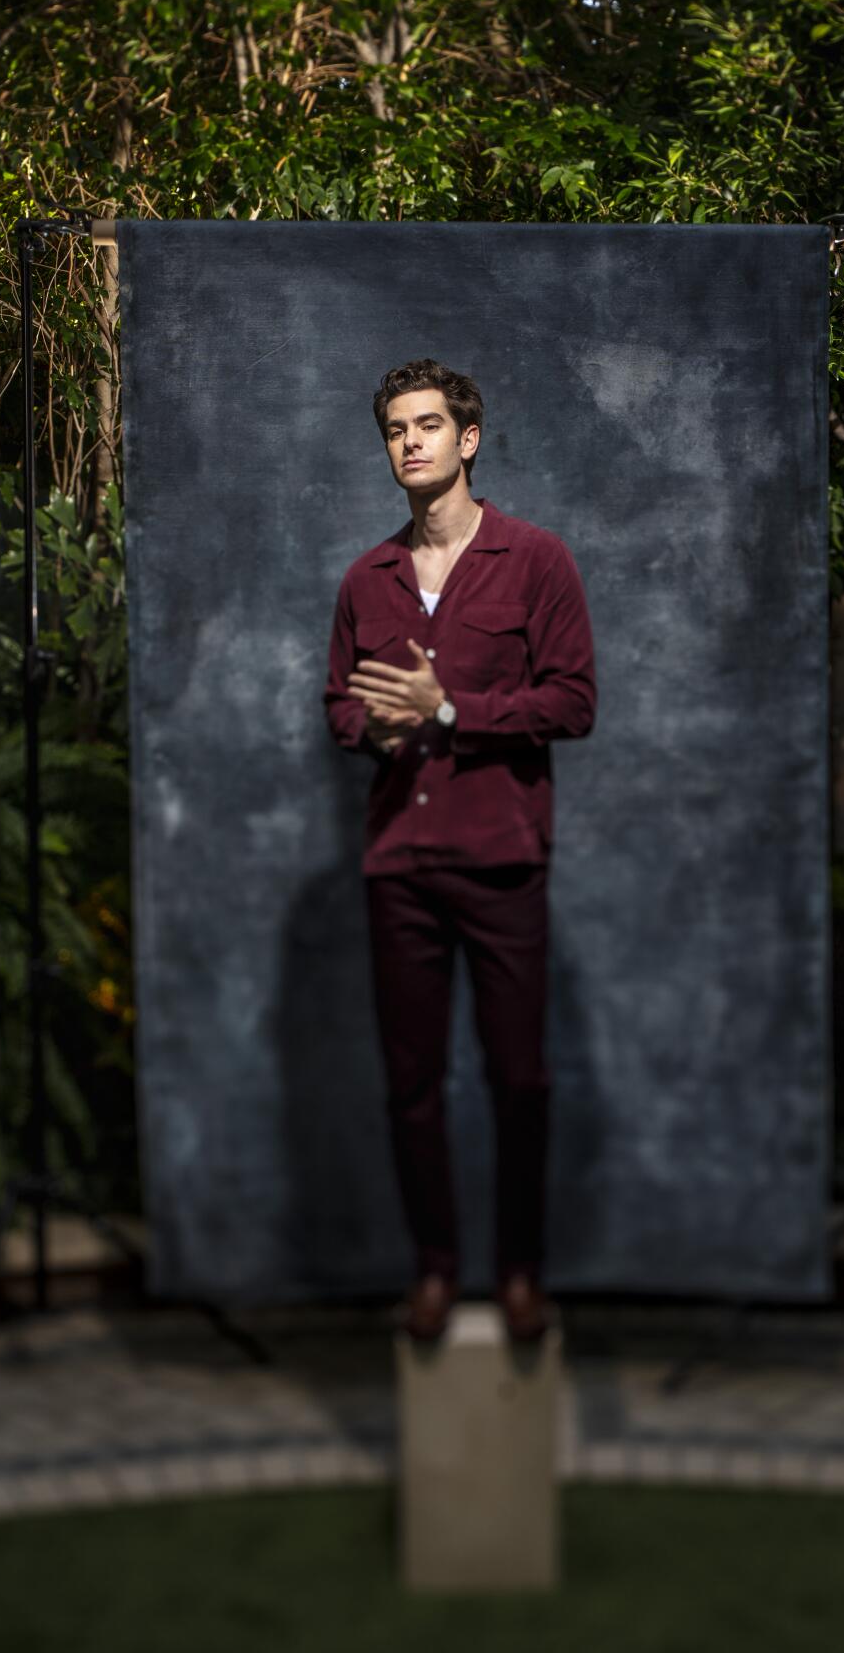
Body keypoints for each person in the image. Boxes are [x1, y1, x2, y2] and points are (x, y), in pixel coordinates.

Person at [323, 357, 596, 1342]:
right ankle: (436, 1268)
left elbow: (573, 703)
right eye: (396, 429)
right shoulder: (368, 579)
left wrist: (452, 711)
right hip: (399, 864)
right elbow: (338, 709)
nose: (411, 442)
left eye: (429, 425)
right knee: (412, 1085)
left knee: (519, 1080)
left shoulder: (537, 561)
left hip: (502, 859)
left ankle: (520, 1270)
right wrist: (380, 732)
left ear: (467, 440)